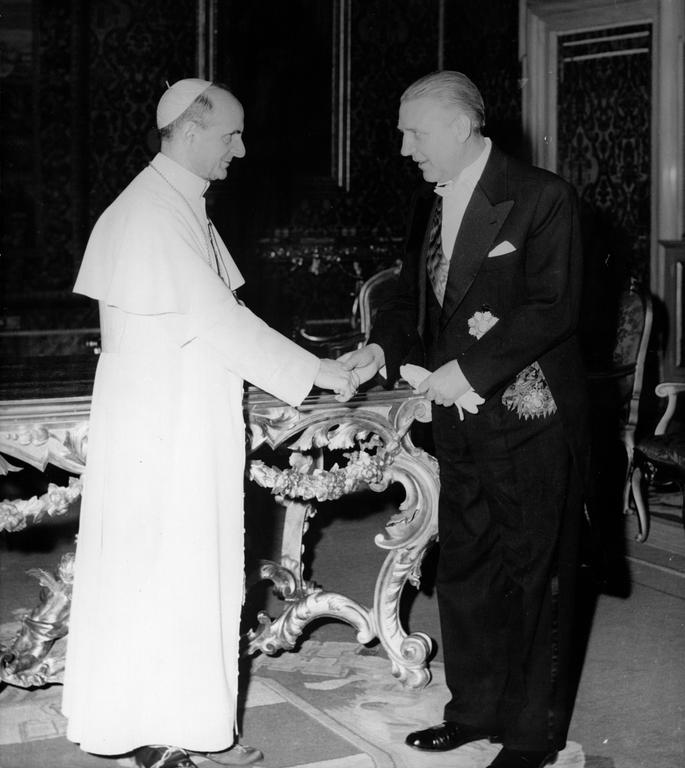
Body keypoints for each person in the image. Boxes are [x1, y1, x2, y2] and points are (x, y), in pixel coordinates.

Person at [62, 79, 357, 768]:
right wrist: (319, 371)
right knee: (171, 575)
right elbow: (218, 320)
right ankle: (165, 738)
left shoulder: (172, 205)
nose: (242, 149)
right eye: (232, 134)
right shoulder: (152, 214)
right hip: (163, 437)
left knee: (182, 575)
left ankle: (178, 728)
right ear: (192, 131)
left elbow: (212, 318)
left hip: (178, 424)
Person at [340, 71, 589, 768]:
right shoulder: (429, 201)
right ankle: (473, 711)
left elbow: (551, 307)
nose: (401, 148)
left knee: (533, 571)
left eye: (412, 132)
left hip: (526, 416)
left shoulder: (542, 198)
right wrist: (380, 346)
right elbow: (409, 301)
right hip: (455, 424)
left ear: (459, 127)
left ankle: (532, 735)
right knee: (466, 568)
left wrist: (468, 372)